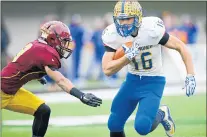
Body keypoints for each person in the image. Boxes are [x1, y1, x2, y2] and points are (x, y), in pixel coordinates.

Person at [101, 1, 196, 137]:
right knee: (114, 124)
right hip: (132, 81)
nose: (124, 23)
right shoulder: (113, 34)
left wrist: (190, 74)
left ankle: (162, 113)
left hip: (153, 81)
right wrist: (127, 58)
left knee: (142, 127)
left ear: (138, 17)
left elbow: (181, 47)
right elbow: (107, 70)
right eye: (121, 19)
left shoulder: (151, 29)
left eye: (128, 18)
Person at [1, 21, 102, 137]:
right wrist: (81, 95)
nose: (65, 45)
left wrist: (38, 75)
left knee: (43, 111)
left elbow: (23, 64)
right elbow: (61, 80)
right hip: (2, 91)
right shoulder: (46, 51)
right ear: (53, 38)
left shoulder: (36, 44)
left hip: (11, 91)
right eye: (64, 41)